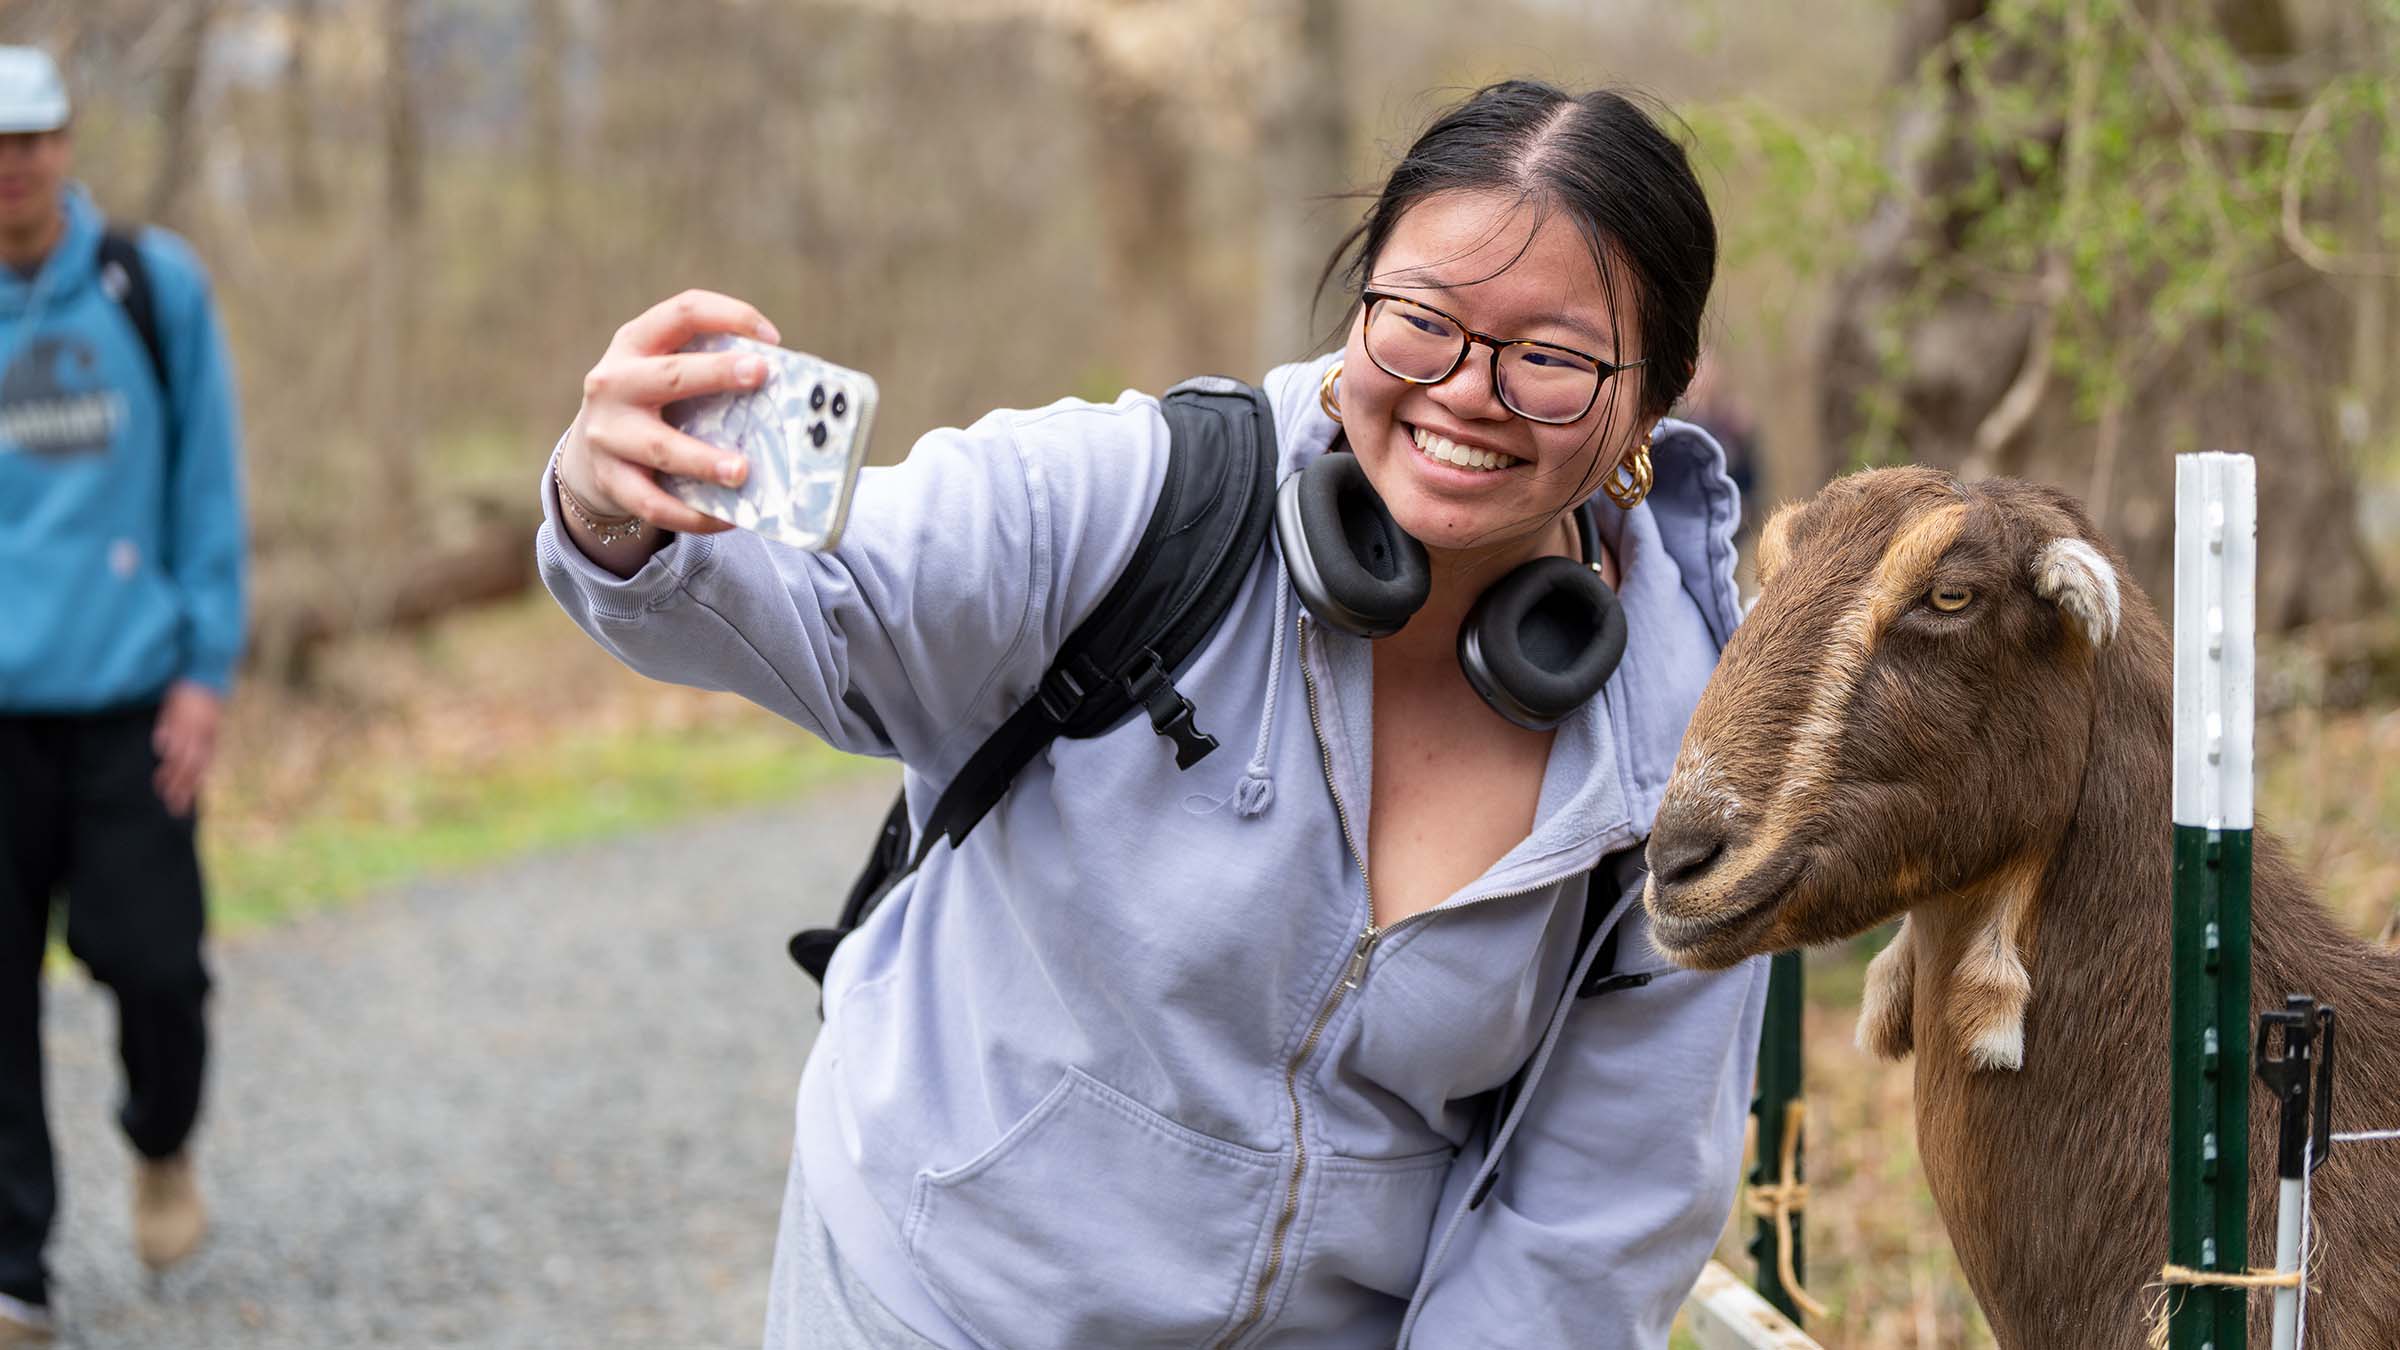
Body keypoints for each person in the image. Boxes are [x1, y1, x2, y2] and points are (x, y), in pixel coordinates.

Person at [545, 80, 1766, 1348]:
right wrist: (613, 502)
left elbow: (1599, 1213)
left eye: (1553, 359)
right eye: (1421, 321)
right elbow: (828, 595)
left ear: (1655, 396)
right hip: (932, 1304)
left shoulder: (1687, 754)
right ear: (1359, 311)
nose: (1467, 389)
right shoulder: (1142, 499)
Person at [0, 46, 245, 1345]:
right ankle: (16, 1269)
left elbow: (207, 494)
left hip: (128, 700)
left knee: (153, 964)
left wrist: (204, 675)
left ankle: (161, 1135)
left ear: (66, 141)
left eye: (33, 136)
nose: (14, 163)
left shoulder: (149, 289)